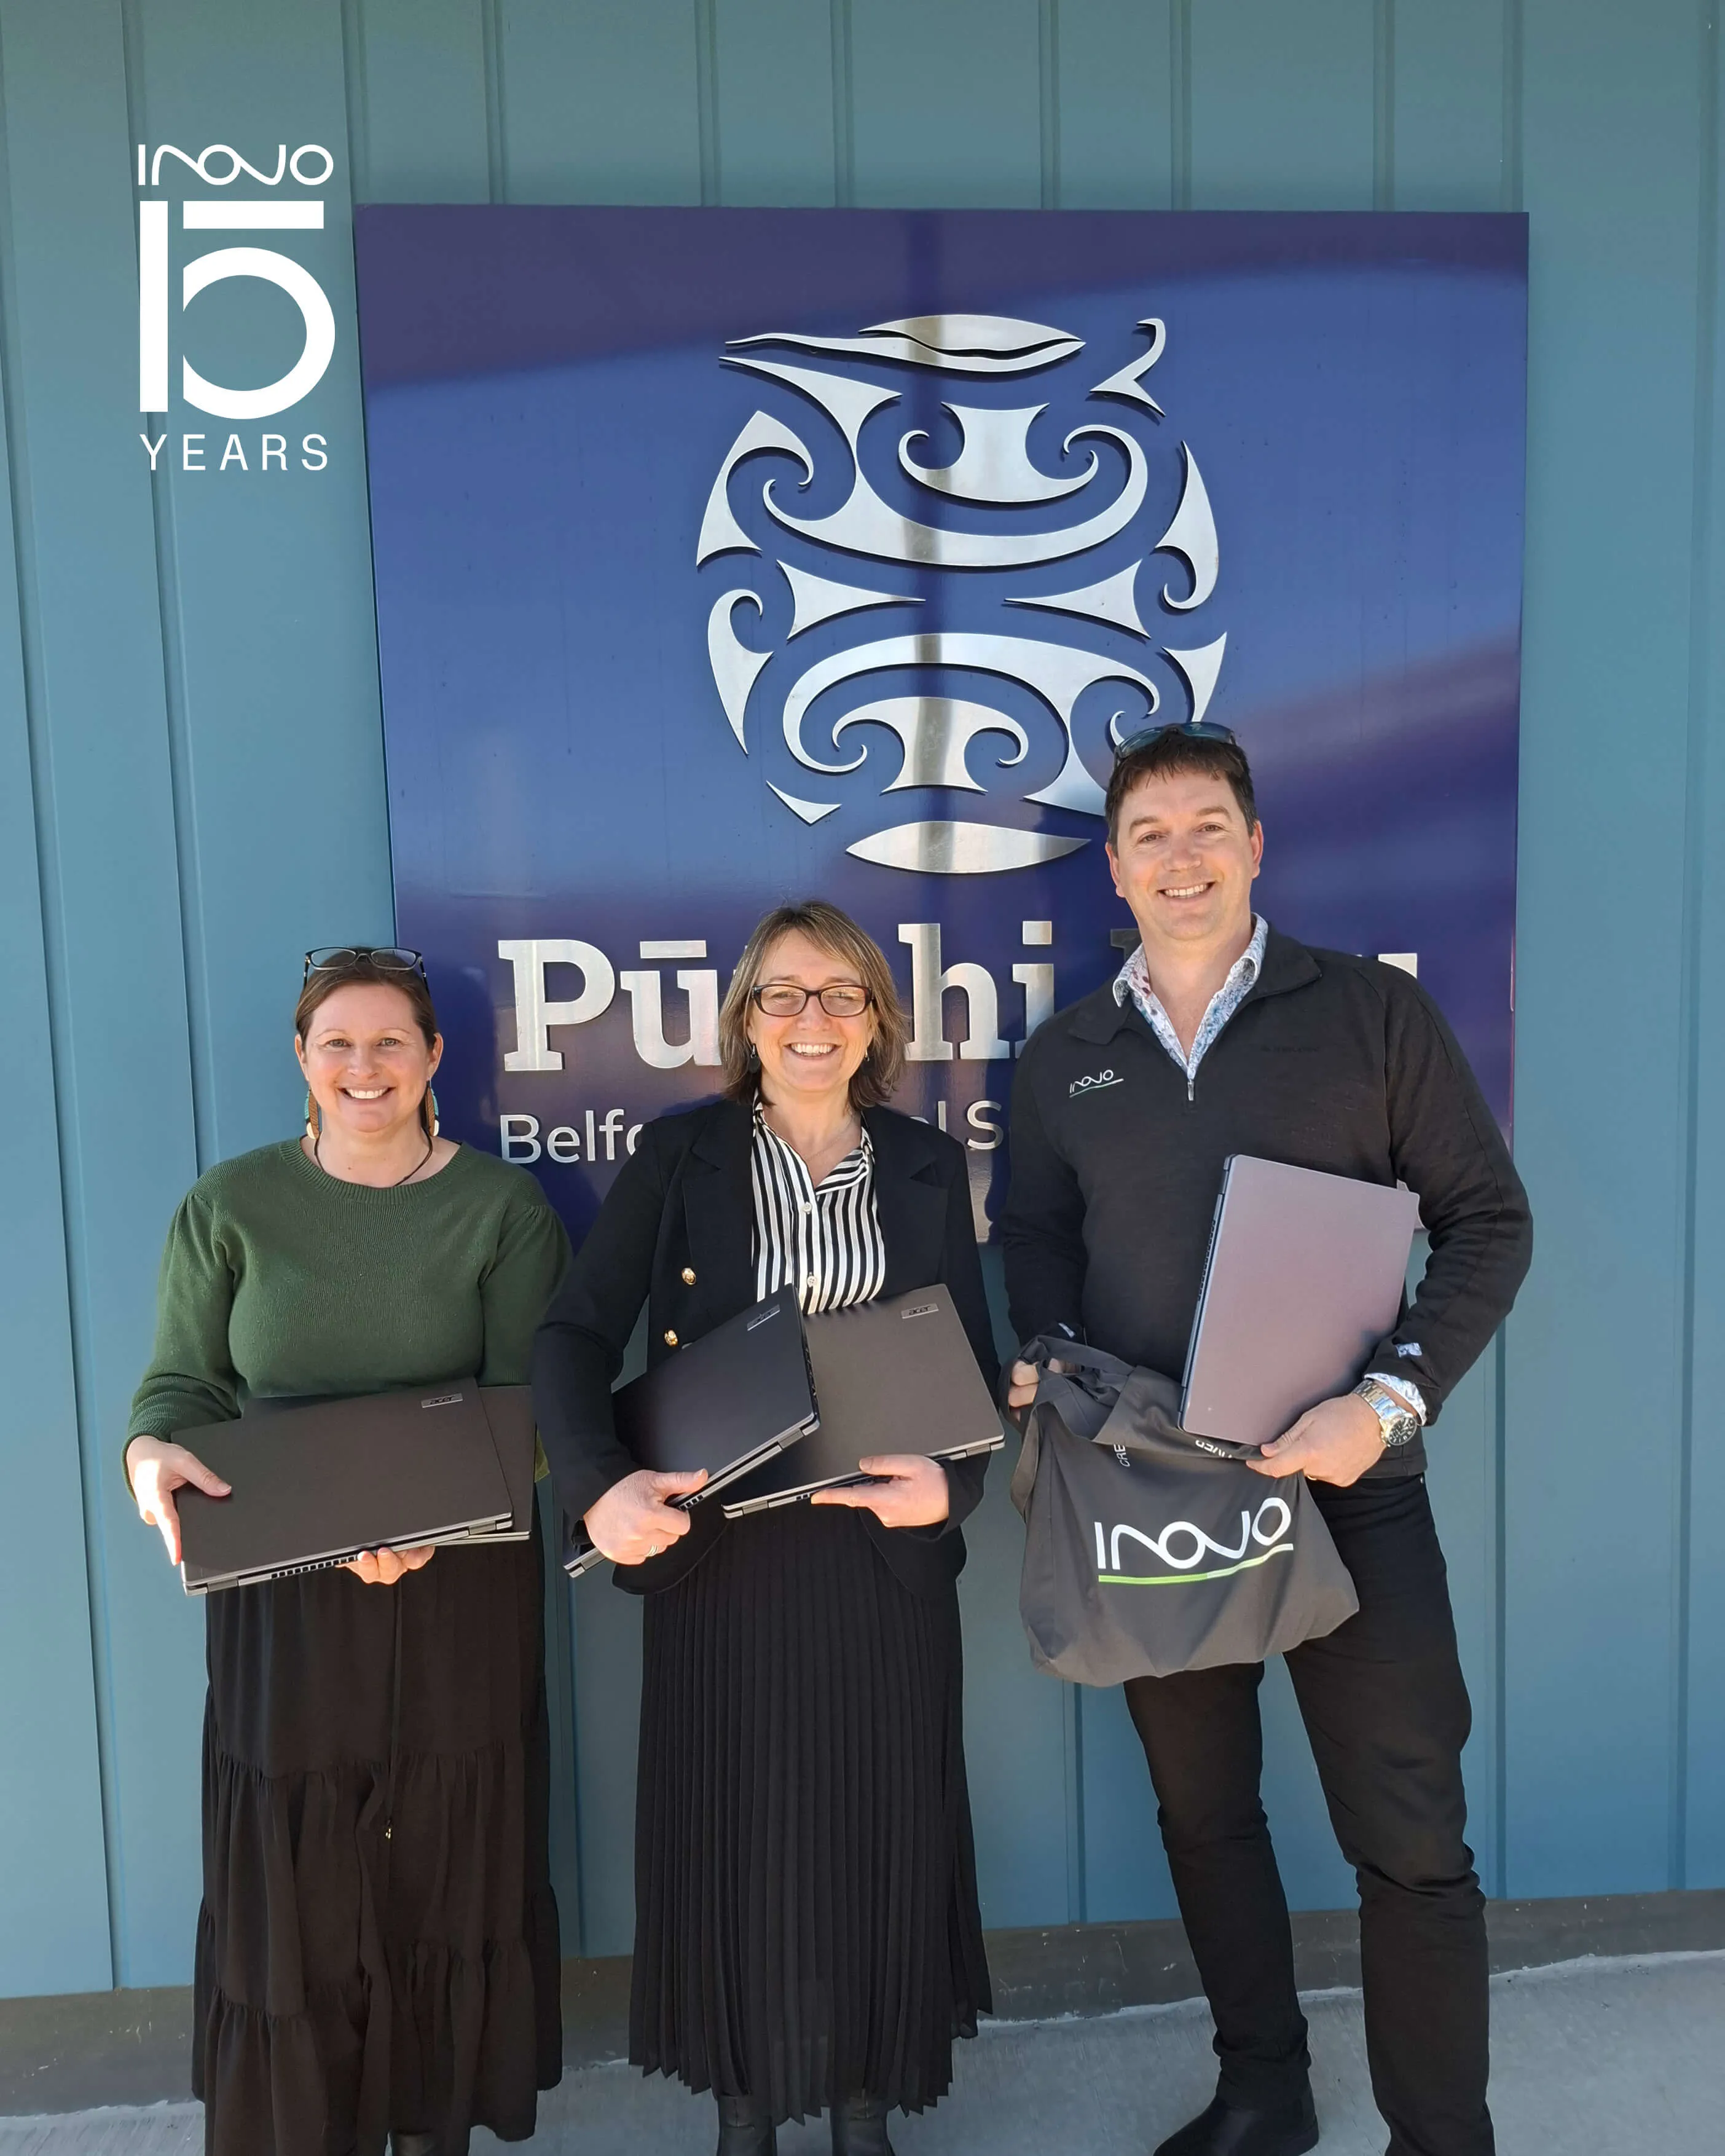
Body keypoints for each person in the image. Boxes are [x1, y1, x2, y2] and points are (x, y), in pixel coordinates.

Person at [1001, 726, 1533, 2156]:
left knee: (1411, 1836)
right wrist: (1049, 1359)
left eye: (1205, 826)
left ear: (1253, 845)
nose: (1179, 856)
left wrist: (1385, 1401)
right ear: (1114, 869)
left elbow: (1486, 1222)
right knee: (1203, 1815)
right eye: (1149, 834)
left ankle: (1439, 2134)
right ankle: (1262, 2089)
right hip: (1157, 1500)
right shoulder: (1063, 1058)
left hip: (1351, 1487)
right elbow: (1033, 1242)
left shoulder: (1367, 1013)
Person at [532, 900, 994, 2156]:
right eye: (783, 994)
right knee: (735, 1831)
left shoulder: (922, 1162)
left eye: (841, 994)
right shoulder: (680, 1154)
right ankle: (743, 2109)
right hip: (720, 1555)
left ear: (877, 1022)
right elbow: (570, 1336)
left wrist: (950, 1492)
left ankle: (863, 2107)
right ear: (745, 1019)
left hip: (877, 1558)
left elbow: (967, 1363)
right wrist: (597, 1486)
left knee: (877, 1829)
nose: (811, 1019)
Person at [125, 946, 570, 2156]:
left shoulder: (501, 1209)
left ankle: (430, 2123)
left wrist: (428, 1528)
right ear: (301, 1058)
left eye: (389, 1043)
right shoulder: (230, 1205)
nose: (362, 1067)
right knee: (300, 1863)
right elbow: (181, 1386)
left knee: (443, 1849)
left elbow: (529, 1409)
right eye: (337, 1043)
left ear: (433, 1057)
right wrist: (148, 1457)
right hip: (284, 1588)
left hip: (458, 1578)